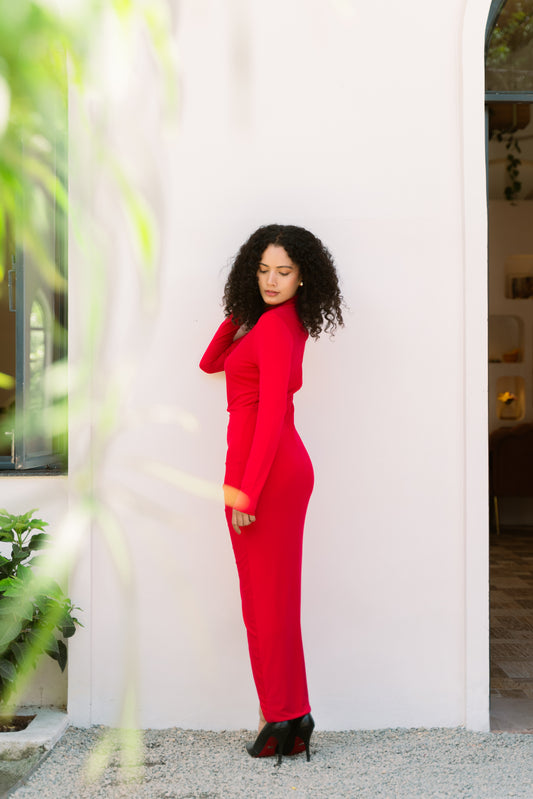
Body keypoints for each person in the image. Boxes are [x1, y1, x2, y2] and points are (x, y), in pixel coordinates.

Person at [199, 224, 343, 764]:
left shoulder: (281, 329)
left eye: (284, 271)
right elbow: (211, 362)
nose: (272, 280)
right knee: (261, 603)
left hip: (271, 474)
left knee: (270, 603)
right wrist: (242, 311)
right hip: (255, 473)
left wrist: (249, 494)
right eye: (262, 271)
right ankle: (287, 714)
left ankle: (283, 714)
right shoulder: (266, 323)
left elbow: (274, 414)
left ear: (304, 276)